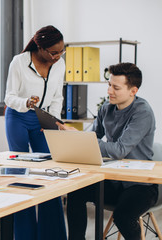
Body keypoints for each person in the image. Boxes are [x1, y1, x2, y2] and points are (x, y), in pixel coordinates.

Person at [58, 62, 158, 240]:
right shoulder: (106, 108)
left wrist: (85, 139)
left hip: (141, 186)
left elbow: (119, 150)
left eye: (116, 87)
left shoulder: (143, 112)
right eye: (109, 85)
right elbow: (92, 136)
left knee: (123, 217)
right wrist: (73, 137)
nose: (109, 91)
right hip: (114, 180)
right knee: (76, 191)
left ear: (133, 91)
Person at [4, 25, 67, 240]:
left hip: (43, 117)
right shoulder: (19, 62)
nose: (58, 56)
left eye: (61, 51)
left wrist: (54, 121)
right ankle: (24, 235)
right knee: (22, 174)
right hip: (18, 116)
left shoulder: (60, 65)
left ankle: (53, 235)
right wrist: (26, 102)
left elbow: (58, 96)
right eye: (53, 52)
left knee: (50, 172)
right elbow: (9, 97)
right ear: (40, 47)